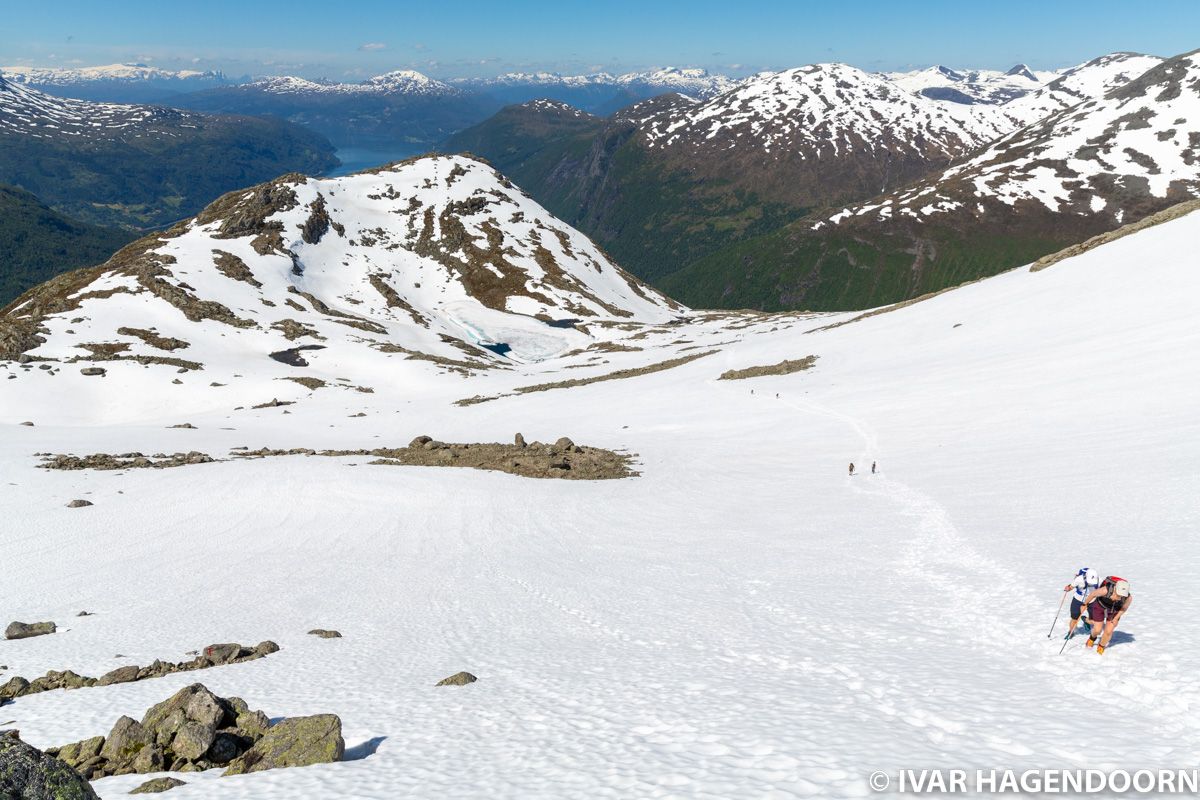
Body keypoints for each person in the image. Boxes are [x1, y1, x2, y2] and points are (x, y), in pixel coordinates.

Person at [1082, 577, 1132, 655]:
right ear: (1115, 589)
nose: (1120, 597)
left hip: (1114, 611)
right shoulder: (1105, 590)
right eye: (1119, 594)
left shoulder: (1128, 598)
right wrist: (1084, 604)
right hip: (1100, 607)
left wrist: (1116, 618)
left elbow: (1123, 609)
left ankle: (1101, 646)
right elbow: (1092, 594)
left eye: (1122, 595)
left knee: (1108, 632)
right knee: (1097, 630)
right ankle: (1092, 638)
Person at [1062, 567, 1099, 638]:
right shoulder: (1079, 579)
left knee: (1093, 619)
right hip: (1078, 599)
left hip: (1092, 600)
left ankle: (1086, 620)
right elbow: (1071, 587)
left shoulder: (1099, 580)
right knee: (1074, 618)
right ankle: (1071, 632)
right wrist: (1068, 588)